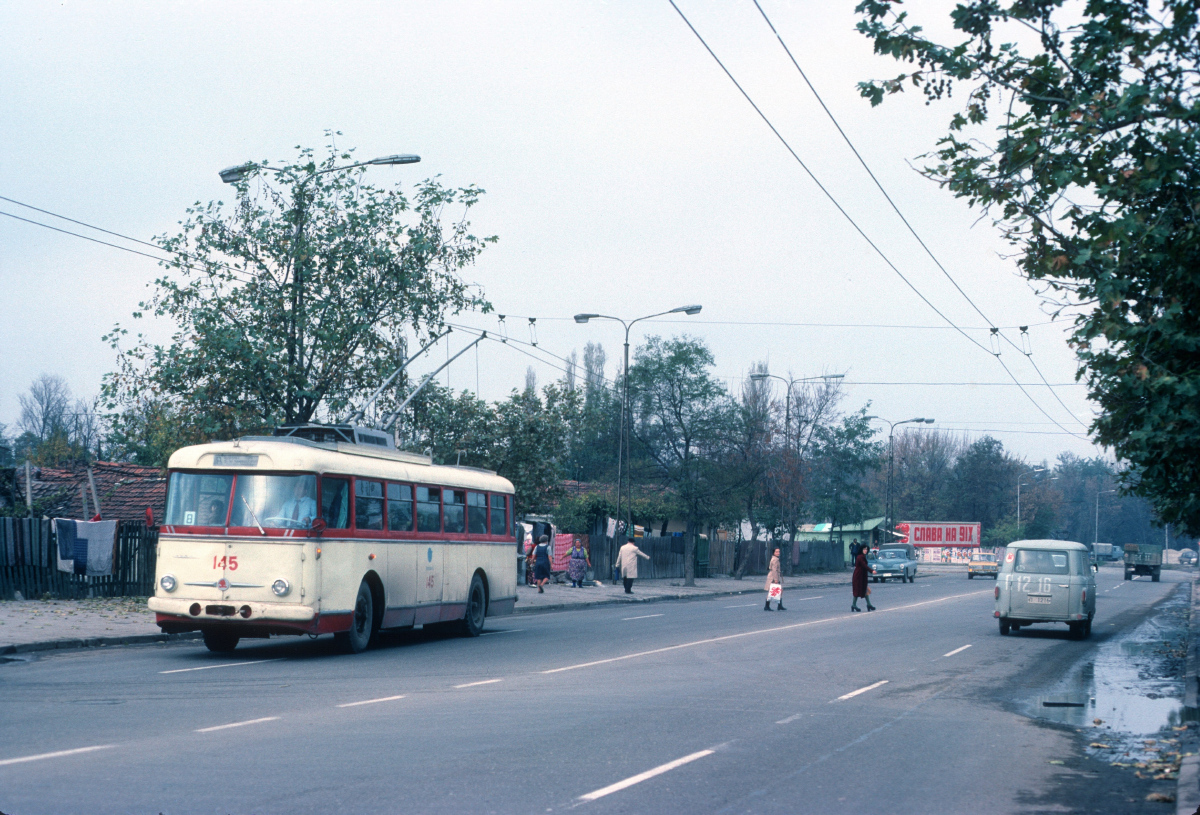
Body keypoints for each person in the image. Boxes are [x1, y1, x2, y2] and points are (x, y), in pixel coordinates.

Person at [851, 545, 875, 612]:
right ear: (861, 549)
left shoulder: (863, 556)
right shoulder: (860, 557)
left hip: (862, 576)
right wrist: (872, 571)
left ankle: (869, 604)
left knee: (865, 589)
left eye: (866, 549)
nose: (865, 550)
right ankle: (854, 605)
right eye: (864, 549)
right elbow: (864, 565)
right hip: (858, 576)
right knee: (857, 590)